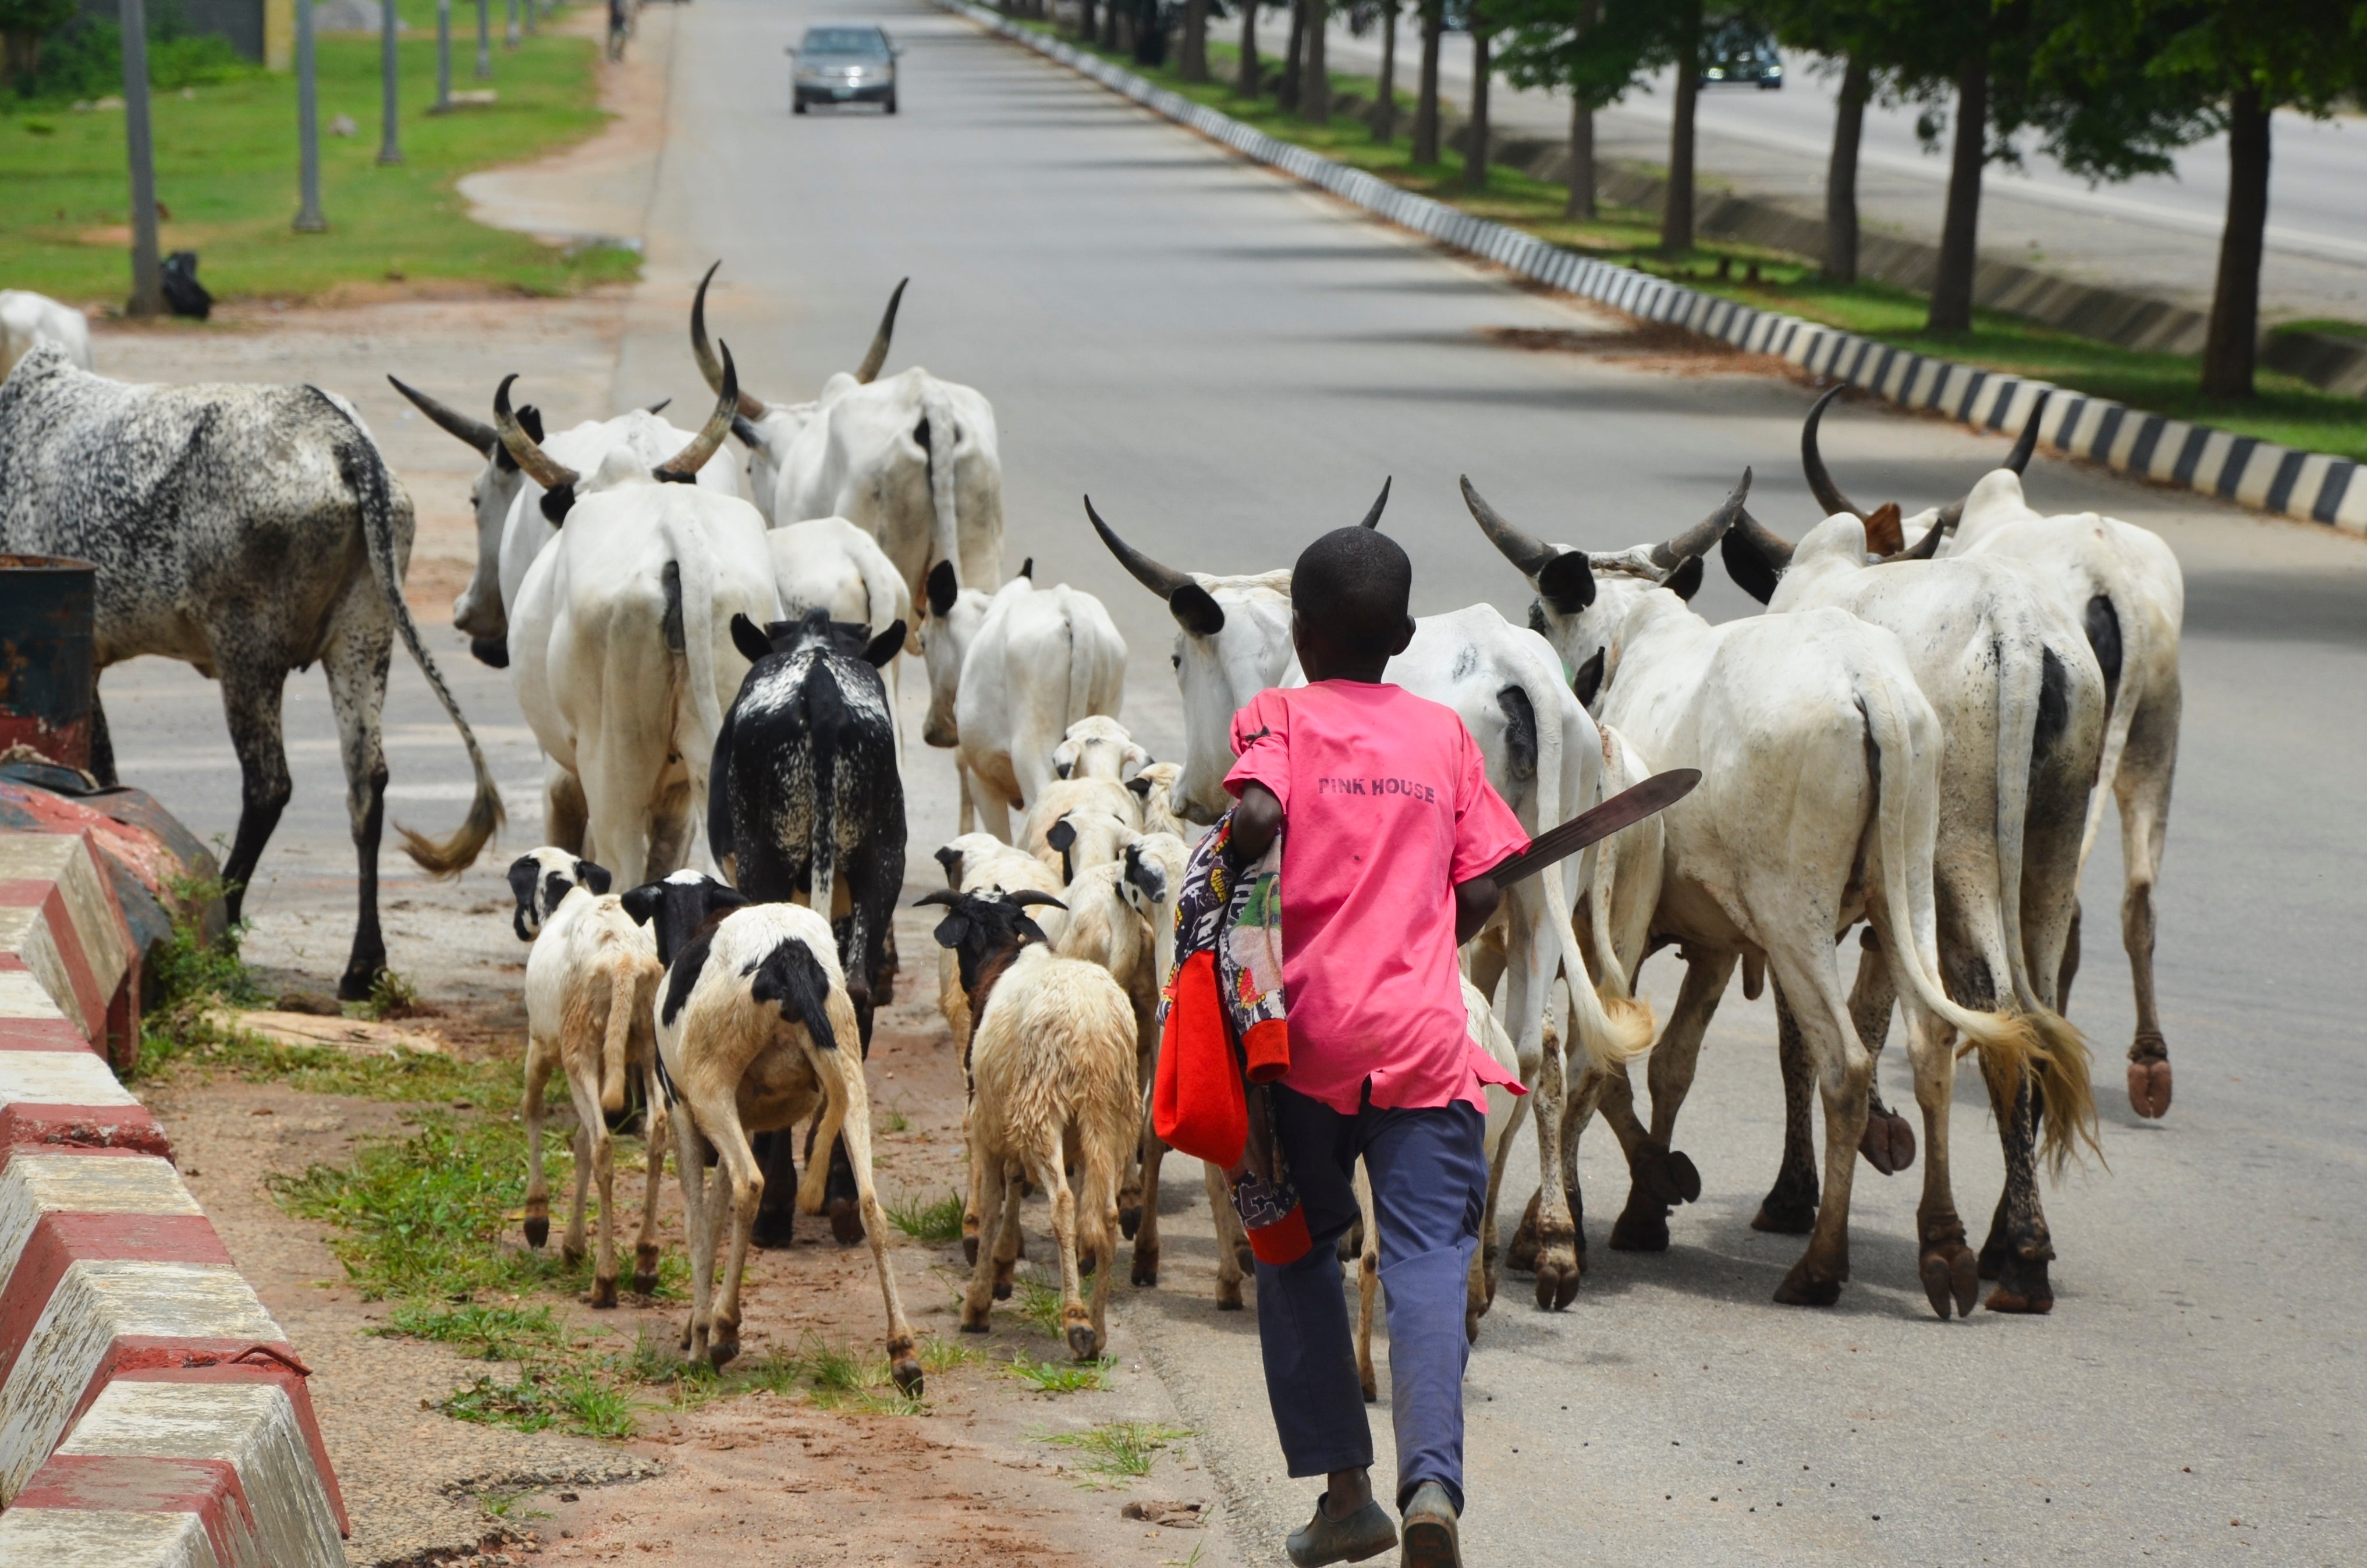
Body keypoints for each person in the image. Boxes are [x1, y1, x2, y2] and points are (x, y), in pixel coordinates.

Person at [1224, 525, 1528, 1568]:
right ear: (1402, 635)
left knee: (1293, 1250)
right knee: (1432, 1267)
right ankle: (1433, 1485)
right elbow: (1484, 883)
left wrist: (1242, 844)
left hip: (1299, 1050)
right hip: (1424, 1047)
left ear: (1298, 635)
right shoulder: (1445, 737)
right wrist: (1422, 927)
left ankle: (1348, 1494)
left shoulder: (1278, 717)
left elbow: (1258, 808)